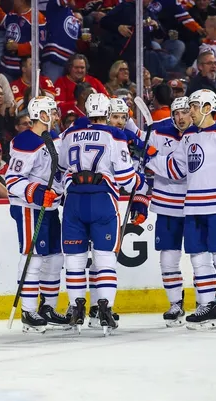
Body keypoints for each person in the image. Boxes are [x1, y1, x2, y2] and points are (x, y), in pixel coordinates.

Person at [145, 89, 216, 331]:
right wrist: (150, 158)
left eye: (193, 106)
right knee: (199, 259)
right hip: (192, 207)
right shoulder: (189, 137)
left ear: (207, 107)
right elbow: (176, 169)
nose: (190, 111)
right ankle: (207, 306)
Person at [58, 93, 147, 335]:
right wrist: (142, 182)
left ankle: (77, 309)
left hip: (74, 201)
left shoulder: (68, 134)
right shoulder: (115, 134)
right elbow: (126, 178)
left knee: (75, 260)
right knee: (104, 257)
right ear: (107, 113)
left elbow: (61, 168)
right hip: (102, 201)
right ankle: (104, 308)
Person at [5, 96, 67, 333]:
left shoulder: (54, 138)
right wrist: (37, 192)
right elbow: (12, 180)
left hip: (50, 207)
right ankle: (29, 310)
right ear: (40, 115)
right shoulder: (26, 141)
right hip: (29, 208)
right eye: (51, 111)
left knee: (54, 256)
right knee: (34, 256)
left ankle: (47, 308)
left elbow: (61, 172)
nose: (55, 114)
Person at [147, 97, 192, 327]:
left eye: (185, 112)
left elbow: (179, 171)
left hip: (196, 204)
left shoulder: (199, 135)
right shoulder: (159, 133)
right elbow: (144, 165)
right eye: (177, 113)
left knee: (201, 258)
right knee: (168, 258)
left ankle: (208, 303)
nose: (181, 117)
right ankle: (176, 303)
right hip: (166, 205)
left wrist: (154, 158)